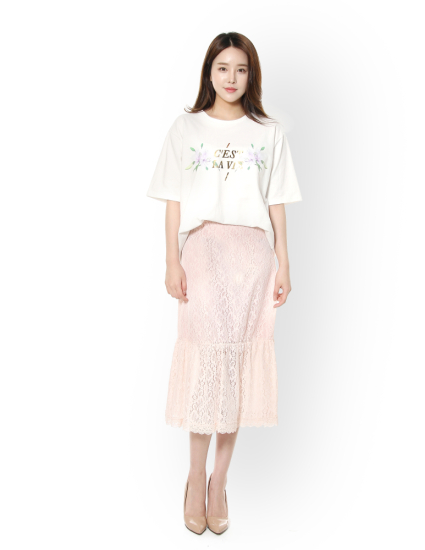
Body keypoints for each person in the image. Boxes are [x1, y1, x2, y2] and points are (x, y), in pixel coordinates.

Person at [146, 32, 302, 535]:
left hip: (252, 257)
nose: (231, 78)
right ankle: (195, 479)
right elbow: (173, 199)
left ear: (251, 75)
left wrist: (284, 263)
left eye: (241, 69)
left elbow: (276, 201)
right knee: (206, 365)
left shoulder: (268, 132)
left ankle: (219, 482)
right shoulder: (186, 127)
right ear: (209, 72)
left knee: (235, 367)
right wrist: (171, 260)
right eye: (223, 68)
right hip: (204, 249)